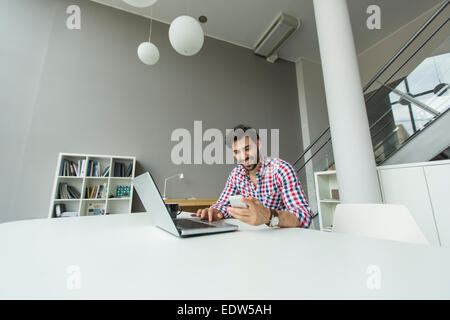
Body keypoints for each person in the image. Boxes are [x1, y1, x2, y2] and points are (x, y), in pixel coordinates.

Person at [191, 124, 312, 228]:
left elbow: (304, 216)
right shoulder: (236, 175)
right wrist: (214, 211)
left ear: (258, 144)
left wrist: (269, 216)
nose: (243, 156)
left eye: (247, 149)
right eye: (237, 152)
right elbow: (223, 204)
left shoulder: (281, 169)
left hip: (283, 241)